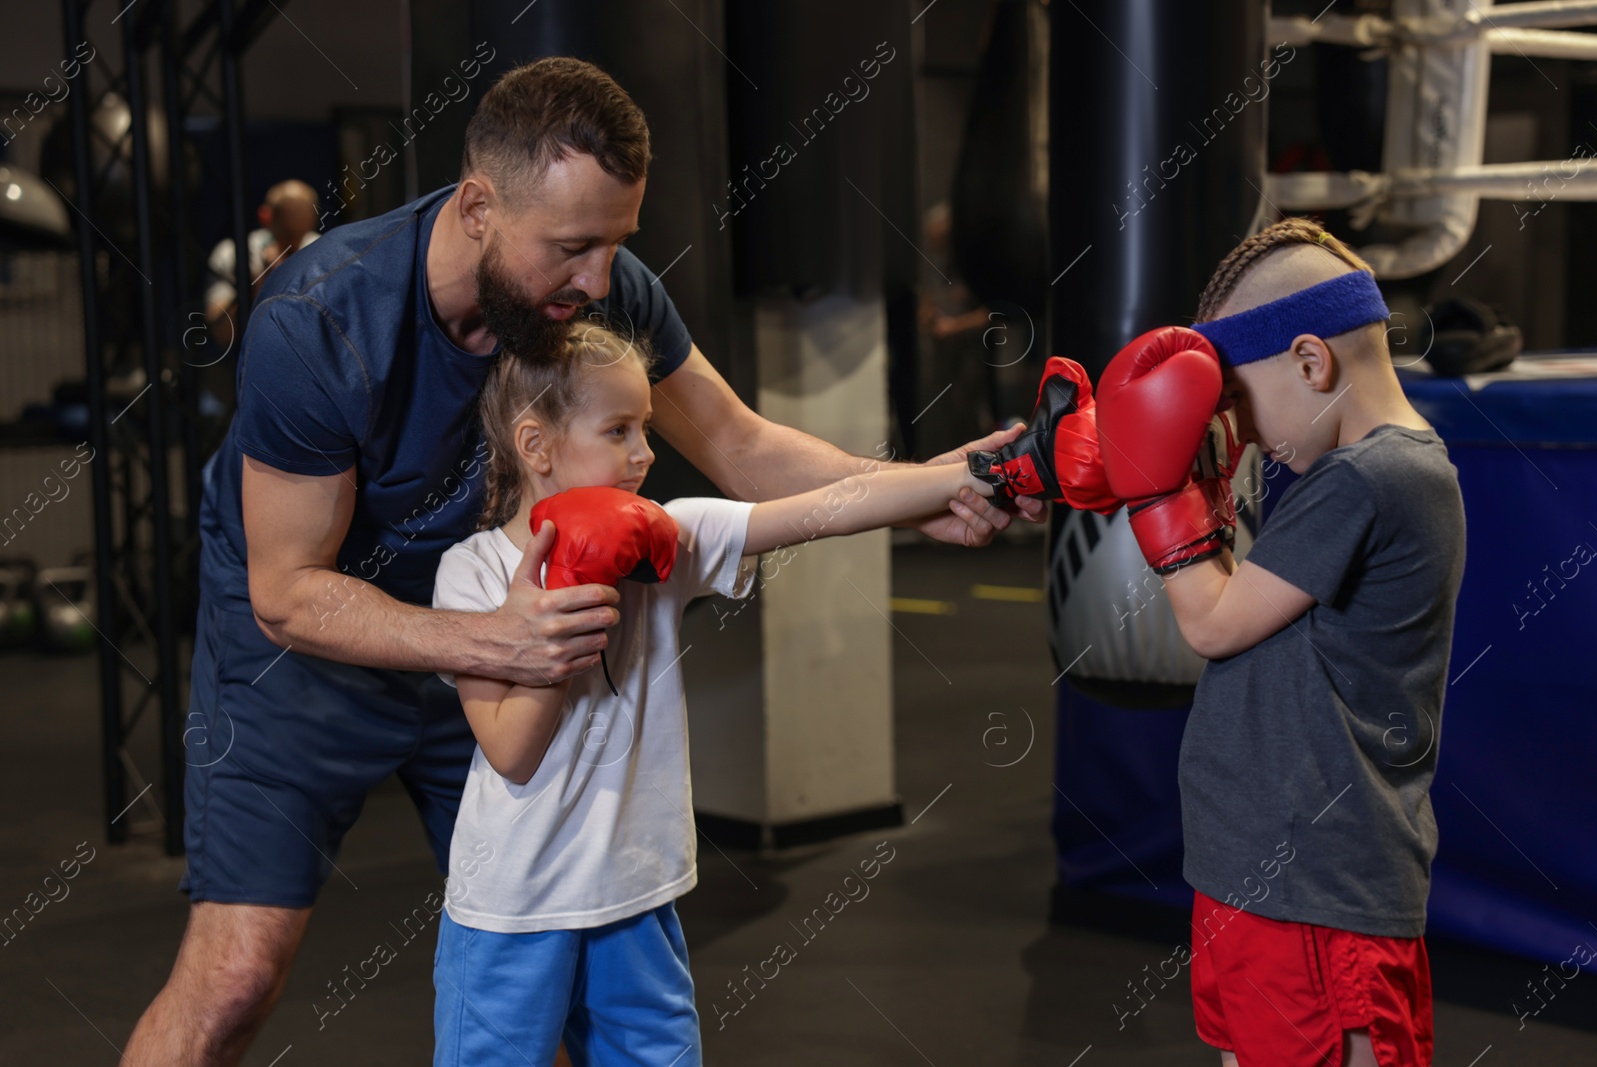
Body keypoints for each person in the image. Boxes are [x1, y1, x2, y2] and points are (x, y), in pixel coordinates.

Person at [124, 57, 1039, 1066]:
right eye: (572, 246)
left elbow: (740, 448)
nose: (601, 281)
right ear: (477, 206)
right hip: (308, 648)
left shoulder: (599, 295)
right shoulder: (319, 320)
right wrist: (491, 636)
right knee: (236, 976)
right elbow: (286, 591)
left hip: (508, 634)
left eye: (616, 243)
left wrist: (928, 487)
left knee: (556, 977)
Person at [430, 322, 994, 1066]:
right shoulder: (469, 572)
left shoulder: (668, 535)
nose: (645, 453)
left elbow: (823, 510)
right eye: (619, 430)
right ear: (537, 446)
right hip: (512, 907)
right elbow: (511, 751)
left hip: (634, 896)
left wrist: (974, 474)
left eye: (647, 429)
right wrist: (568, 588)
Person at [1094, 218, 1465, 1067]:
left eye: (1238, 399)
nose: (1246, 431)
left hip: (1318, 891)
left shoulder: (1380, 475)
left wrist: (1159, 494)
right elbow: (1246, 615)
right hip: (1257, 876)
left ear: (1310, 361)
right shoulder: (1338, 474)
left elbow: (1211, 621)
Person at [204, 179, 321, 351]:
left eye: (298, 235)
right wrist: (262, 282)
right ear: (265, 216)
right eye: (286, 234)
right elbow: (223, 334)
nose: (292, 245)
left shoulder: (324, 253)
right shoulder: (232, 254)